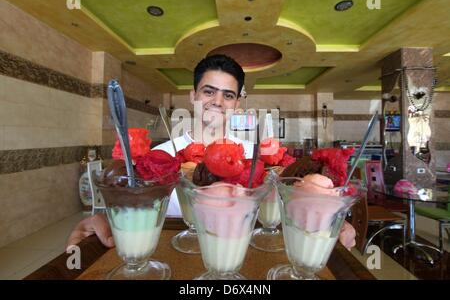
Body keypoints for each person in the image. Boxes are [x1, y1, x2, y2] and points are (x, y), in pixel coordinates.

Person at [66, 54, 356, 250]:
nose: (217, 101)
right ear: (192, 96)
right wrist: (105, 223)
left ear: (237, 104)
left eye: (228, 95)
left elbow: (287, 211)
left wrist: (332, 223)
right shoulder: (157, 159)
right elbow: (132, 213)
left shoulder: (255, 160)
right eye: (208, 91)